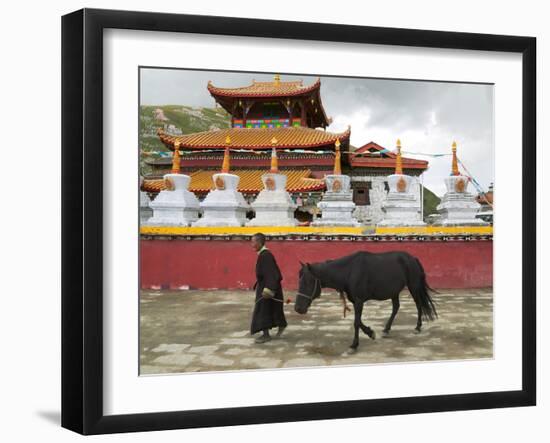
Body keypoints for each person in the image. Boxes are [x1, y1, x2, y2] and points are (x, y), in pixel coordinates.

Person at [250, 233, 287, 343]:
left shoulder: (266, 255)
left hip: (267, 288)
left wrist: (269, 288)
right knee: (273, 308)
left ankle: (266, 335)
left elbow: (272, 273)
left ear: (260, 242)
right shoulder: (263, 255)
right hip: (265, 286)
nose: (252, 245)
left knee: (263, 310)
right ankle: (281, 325)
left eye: (253, 242)